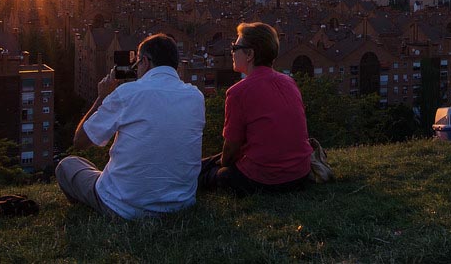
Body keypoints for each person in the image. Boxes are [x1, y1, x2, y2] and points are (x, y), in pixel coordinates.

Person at [56, 34, 205, 218]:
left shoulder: (127, 93)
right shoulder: (196, 97)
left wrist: (102, 97)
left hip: (126, 208)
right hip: (181, 205)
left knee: (67, 165)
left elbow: (80, 141)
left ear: (145, 61)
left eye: (137, 65)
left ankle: (96, 207)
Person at [199, 22, 313, 196]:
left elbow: (231, 150)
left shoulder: (238, 92)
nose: (232, 51)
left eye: (235, 47)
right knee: (207, 163)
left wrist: (222, 164)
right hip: (301, 174)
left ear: (250, 54)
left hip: (265, 180)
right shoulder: (289, 82)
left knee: (215, 175)